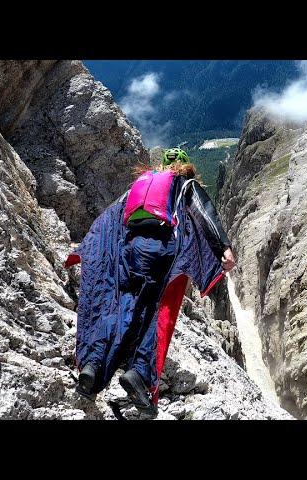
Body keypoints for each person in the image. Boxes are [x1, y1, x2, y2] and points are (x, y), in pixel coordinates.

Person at [64, 148, 235, 415]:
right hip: (160, 249)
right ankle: (139, 374)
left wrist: (89, 247)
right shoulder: (184, 184)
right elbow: (204, 213)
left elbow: (112, 216)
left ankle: (93, 365)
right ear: (185, 167)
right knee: (151, 312)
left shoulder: (140, 185)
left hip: (129, 249)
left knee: (120, 306)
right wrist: (223, 247)